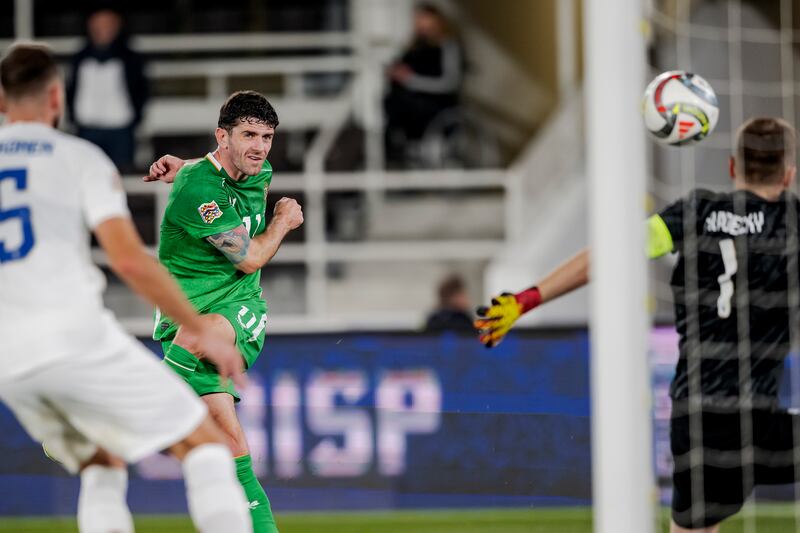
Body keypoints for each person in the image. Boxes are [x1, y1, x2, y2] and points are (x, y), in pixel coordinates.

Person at [475, 117, 800, 533]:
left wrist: (527, 299)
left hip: (696, 417)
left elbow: (608, 252)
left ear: (733, 167)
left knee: (692, 529)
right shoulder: (791, 221)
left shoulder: (695, 211)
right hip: (757, 420)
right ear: (789, 175)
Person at [0, 44, 252, 533]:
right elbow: (129, 260)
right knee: (208, 448)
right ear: (57, 96)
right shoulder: (79, 158)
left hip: (8, 360)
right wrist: (199, 326)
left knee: (102, 463)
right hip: (72, 339)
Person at [142, 90, 304, 533]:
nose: (259, 147)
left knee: (205, 334)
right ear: (223, 136)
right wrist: (283, 221)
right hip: (183, 316)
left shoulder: (254, 172)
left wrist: (188, 167)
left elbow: (223, 176)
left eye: (267, 136)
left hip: (237, 310)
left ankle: (126, 416)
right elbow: (249, 256)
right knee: (230, 447)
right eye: (248, 134)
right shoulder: (197, 187)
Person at [66, 6, 148, 172]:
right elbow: (71, 90)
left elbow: (141, 91)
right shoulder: (79, 58)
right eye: (99, 23)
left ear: (118, 25)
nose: (104, 29)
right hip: (87, 130)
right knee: (87, 176)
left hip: (120, 132)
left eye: (109, 24)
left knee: (120, 178)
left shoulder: (131, 58)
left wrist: (135, 120)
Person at [384, 2, 464, 165]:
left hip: (435, 105)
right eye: (417, 19)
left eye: (423, 18)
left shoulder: (448, 46)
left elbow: (450, 83)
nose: (419, 23)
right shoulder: (414, 46)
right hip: (407, 103)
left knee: (401, 104)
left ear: (436, 20)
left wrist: (412, 80)